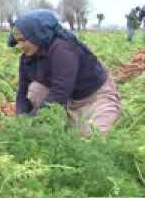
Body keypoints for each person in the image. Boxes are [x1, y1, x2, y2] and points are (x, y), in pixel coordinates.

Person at [8, 9, 121, 137]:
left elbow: (60, 91)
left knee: (93, 136)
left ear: (37, 35)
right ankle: (64, 124)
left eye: (23, 40)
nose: (20, 46)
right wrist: (21, 119)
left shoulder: (62, 48)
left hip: (94, 98)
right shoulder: (26, 57)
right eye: (17, 41)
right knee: (34, 90)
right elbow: (22, 91)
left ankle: (77, 123)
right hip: (67, 100)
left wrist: (34, 119)